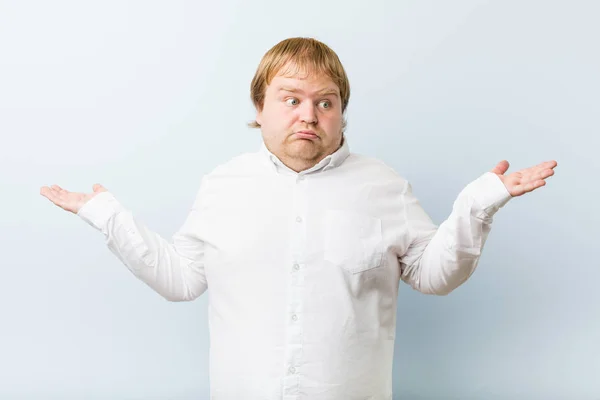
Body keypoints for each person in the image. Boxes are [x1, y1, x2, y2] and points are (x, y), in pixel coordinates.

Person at [40, 37, 557, 399]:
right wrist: (107, 215)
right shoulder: (222, 186)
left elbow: (435, 275)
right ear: (260, 108)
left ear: (341, 113)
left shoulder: (384, 186)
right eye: (291, 99)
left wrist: (479, 203)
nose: (308, 115)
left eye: (325, 102)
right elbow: (181, 280)